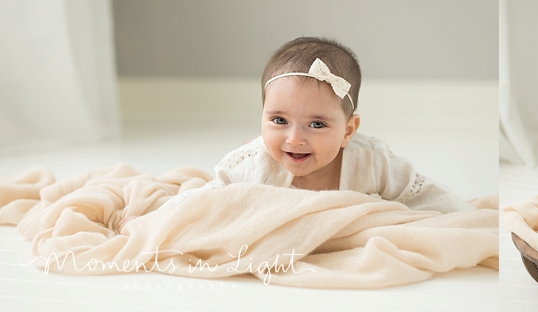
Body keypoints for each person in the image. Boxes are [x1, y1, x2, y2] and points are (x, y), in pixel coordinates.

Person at [119, 37, 474, 233]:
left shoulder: (373, 160)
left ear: (348, 131)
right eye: (278, 120)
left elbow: (425, 192)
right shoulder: (253, 166)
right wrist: (150, 221)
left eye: (317, 124)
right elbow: (203, 201)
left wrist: (466, 220)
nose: (294, 139)